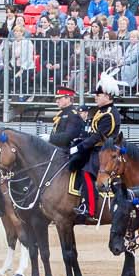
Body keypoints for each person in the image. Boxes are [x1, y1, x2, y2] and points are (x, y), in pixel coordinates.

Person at [48, 84, 95, 212]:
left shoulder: (73, 115)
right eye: (57, 98)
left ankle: (82, 201)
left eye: (60, 98)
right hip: (58, 151)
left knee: (81, 173)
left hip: (69, 152)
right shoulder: (62, 114)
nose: (57, 100)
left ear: (69, 98)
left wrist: (49, 139)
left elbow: (68, 137)